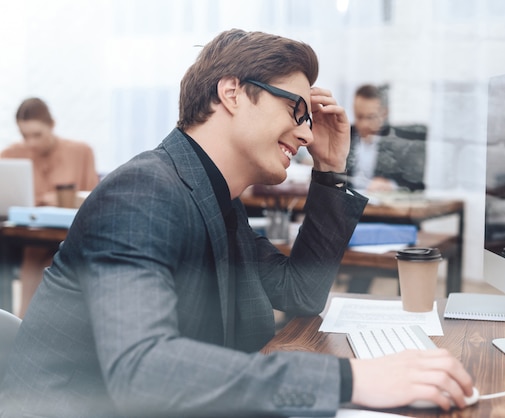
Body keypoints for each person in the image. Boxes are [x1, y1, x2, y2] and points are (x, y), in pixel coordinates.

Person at [0, 29, 473, 417]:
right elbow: (142, 370)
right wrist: (350, 380)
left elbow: (299, 292)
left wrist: (331, 172)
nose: (308, 134)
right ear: (232, 93)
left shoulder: (213, 197)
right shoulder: (143, 192)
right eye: (297, 110)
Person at [0, 97, 99, 318]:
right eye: (25, 136)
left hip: (71, 234)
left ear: (51, 126)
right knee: (34, 255)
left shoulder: (81, 152)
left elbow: (94, 199)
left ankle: (27, 323)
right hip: (29, 239)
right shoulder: (10, 155)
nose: (31, 143)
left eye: (37, 135)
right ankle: (17, 324)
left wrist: (62, 199)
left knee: (47, 259)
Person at [346, 84, 426, 192]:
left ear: (384, 114)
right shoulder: (344, 136)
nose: (364, 124)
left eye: (370, 117)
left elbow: (417, 184)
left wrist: (391, 185)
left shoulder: (399, 143)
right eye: (359, 116)